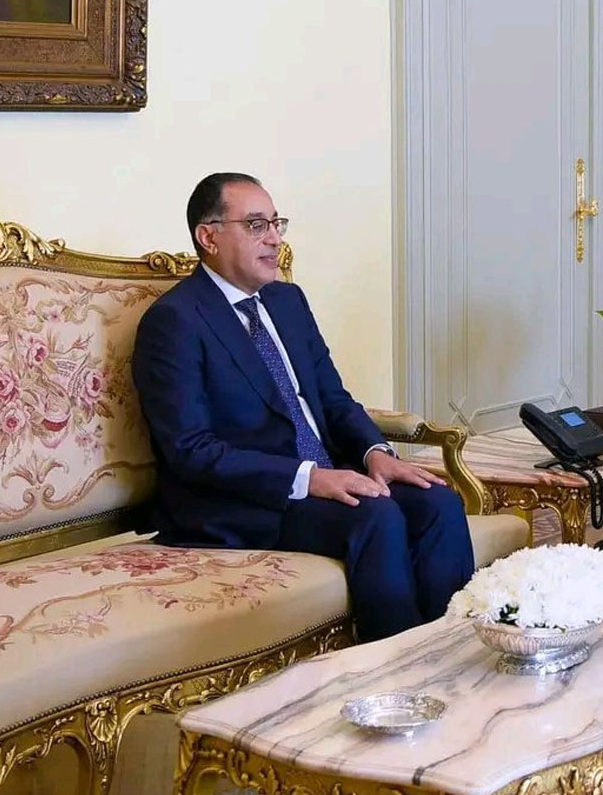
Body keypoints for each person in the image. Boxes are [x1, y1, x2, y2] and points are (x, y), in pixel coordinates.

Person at [132, 172, 474, 642]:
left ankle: (452, 653)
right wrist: (308, 478)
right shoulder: (175, 321)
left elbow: (333, 398)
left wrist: (375, 452)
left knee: (438, 502)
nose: (275, 239)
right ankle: (394, 671)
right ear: (208, 237)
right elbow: (190, 449)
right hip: (242, 500)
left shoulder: (286, 300)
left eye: (277, 223)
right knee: (376, 516)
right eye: (256, 225)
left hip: (325, 473)